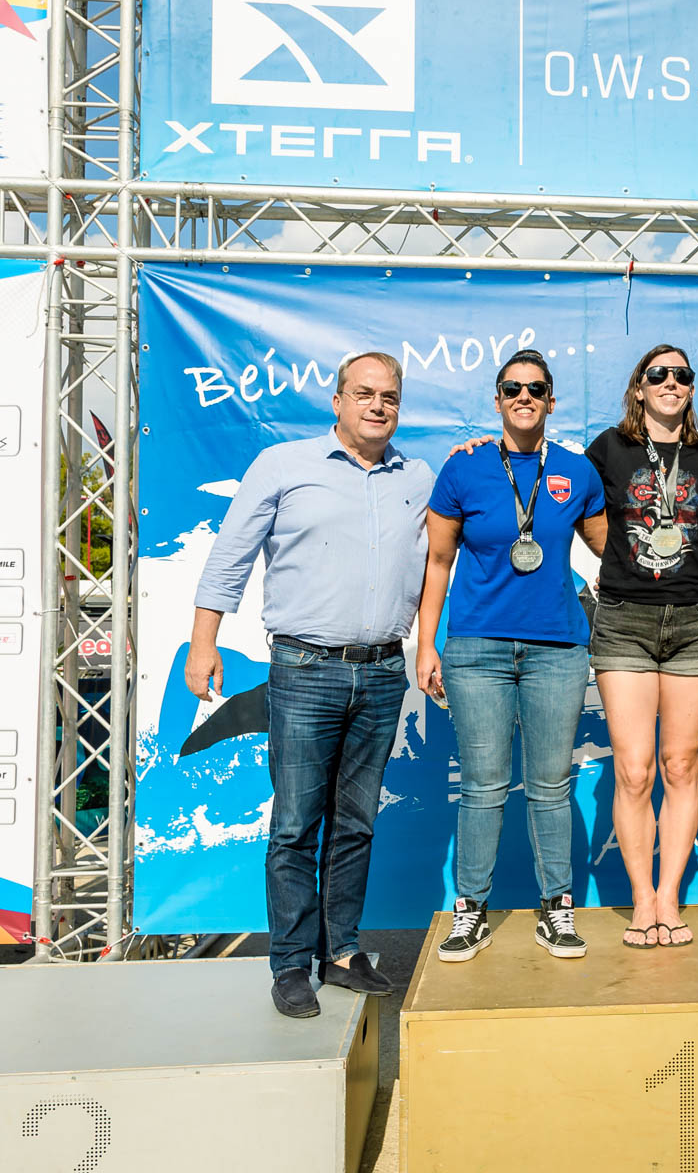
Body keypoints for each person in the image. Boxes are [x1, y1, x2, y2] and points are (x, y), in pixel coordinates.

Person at [187, 350, 429, 1019]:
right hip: (304, 669)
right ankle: (292, 964)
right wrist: (204, 643)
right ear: (338, 401)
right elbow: (230, 556)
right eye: (364, 393)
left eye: (389, 396)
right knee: (295, 825)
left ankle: (342, 952)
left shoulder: (418, 477)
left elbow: (451, 539)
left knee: (356, 823)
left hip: (383, 671)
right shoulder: (283, 465)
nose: (377, 405)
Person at [415, 350, 607, 963]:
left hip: (557, 649)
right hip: (477, 648)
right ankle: (471, 910)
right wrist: (426, 644)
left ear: (551, 400)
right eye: (513, 388)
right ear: (497, 399)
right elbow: (437, 562)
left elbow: (614, 552)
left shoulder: (576, 471)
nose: (525, 396)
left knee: (551, 786)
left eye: (536, 388)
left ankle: (557, 909)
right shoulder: (464, 467)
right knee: (483, 786)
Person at [583, 344, 698, 950]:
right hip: (624, 622)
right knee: (634, 771)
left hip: (695, 621)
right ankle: (641, 899)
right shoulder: (609, 448)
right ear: (638, 387)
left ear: (691, 388)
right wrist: (620, 557)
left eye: (681, 375)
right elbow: (558, 489)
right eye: (657, 374)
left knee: (681, 766)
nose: (670, 382)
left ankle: (669, 897)